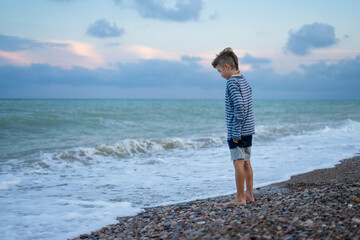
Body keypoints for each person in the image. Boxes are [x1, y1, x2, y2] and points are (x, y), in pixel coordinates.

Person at [212, 47, 255, 205]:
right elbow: (247, 103)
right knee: (246, 162)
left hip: (238, 131)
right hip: (248, 129)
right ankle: (249, 195)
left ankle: (240, 198)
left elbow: (240, 106)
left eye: (219, 71)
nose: (220, 75)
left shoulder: (231, 83)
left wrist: (236, 132)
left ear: (226, 67)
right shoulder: (244, 80)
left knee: (238, 162)